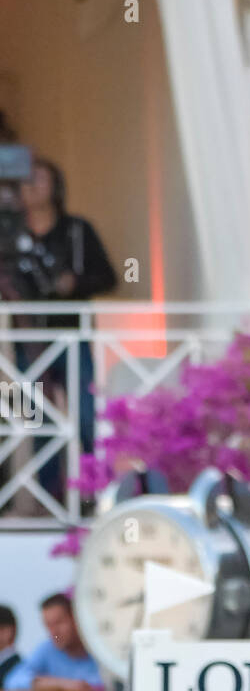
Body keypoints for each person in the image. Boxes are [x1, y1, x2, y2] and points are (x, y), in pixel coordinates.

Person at [10, 157, 117, 499]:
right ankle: (50, 498)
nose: (32, 186)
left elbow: (110, 277)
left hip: (72, 337)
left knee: (87, 417)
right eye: (26, 180)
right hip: (28, 341)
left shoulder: (76, 230)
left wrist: (76, 283)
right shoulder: (9, 234)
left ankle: (93, 493)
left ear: (56, 186)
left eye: (40, 179)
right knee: (39, 421)